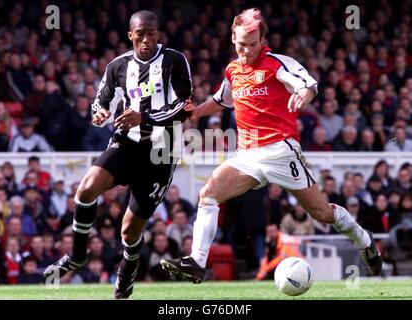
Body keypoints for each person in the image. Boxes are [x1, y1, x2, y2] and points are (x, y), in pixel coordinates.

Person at [161, 8, 382, 283]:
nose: (247, 51)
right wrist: (195, 112)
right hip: (247, 155)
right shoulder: (232, 71)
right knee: (208, 193)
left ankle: (363, 240)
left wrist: (302, 95)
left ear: (262, 42)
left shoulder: (277, 63)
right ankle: (197, 261)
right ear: (233, 38)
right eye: (242, 44)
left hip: (280, 150)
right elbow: (220, 101)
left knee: (322, 213)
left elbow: (307, 85)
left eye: (253, 45)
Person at [43, 10, 192, 299]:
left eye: (151, 33)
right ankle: (76, 255)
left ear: (158, 34)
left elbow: (183, 108)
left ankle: (128, 268)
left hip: (161, 153)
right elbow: (101, 100)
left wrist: (144, 117)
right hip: (126, 144)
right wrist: (99, 113)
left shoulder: (174, 60)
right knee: (86, 189)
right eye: (140, 34)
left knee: (128, 232)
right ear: (130, 35)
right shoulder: (118, 66)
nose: (146, 40)